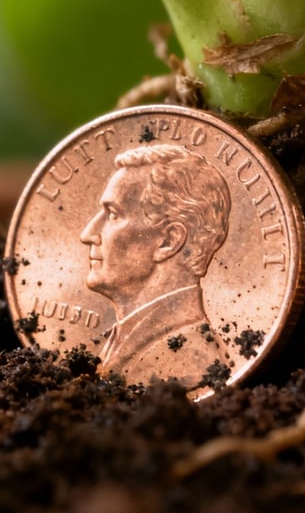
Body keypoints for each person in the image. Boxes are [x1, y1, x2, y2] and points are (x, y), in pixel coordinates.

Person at [79, 144, 232, 384]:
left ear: (169, 241)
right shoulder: (121, 339)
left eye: (113, 214)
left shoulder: (188, 361)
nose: (87, 234)